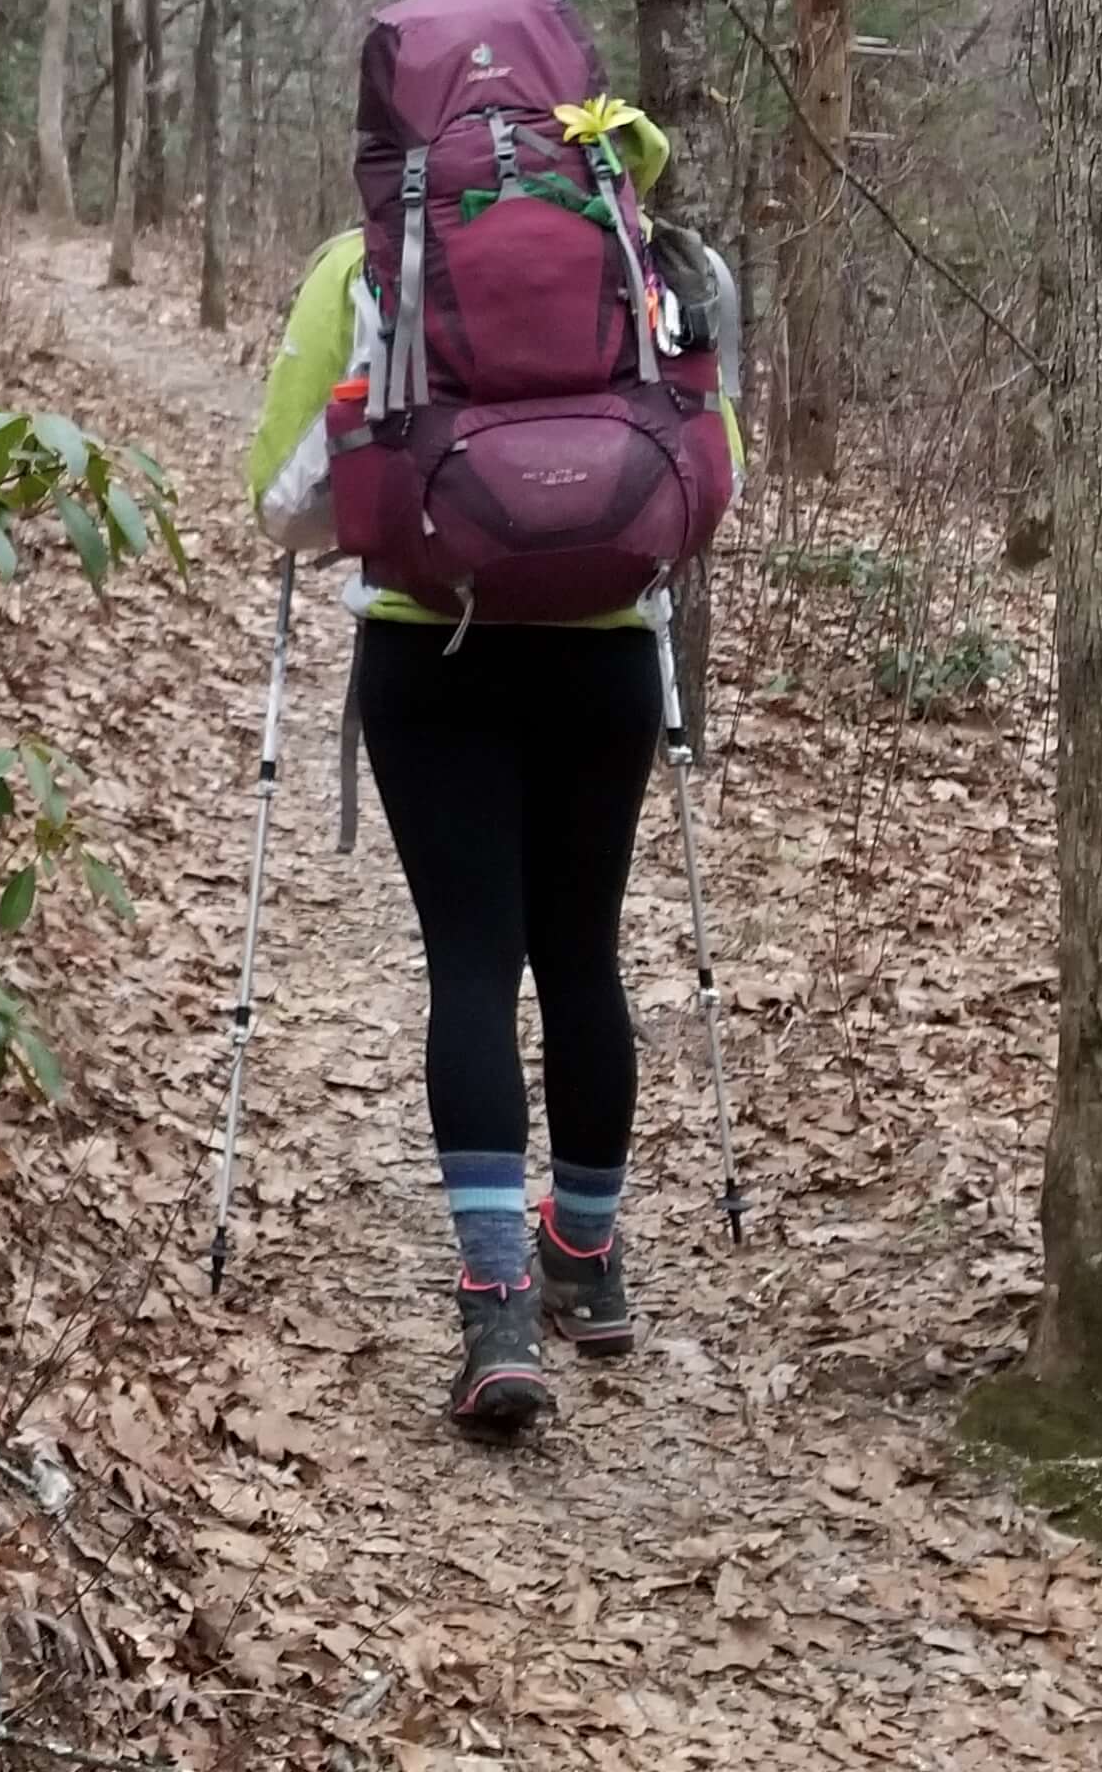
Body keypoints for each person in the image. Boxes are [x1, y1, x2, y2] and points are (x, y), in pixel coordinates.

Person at [240, 98, 742, 1436]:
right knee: (582, 953)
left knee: (474, 964)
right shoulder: (648, 253)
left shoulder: (363, 266)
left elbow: (284, 505)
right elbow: (713, 467)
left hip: (431, 649)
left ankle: (497, 1309)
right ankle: (591, 1257)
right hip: (606, 654)